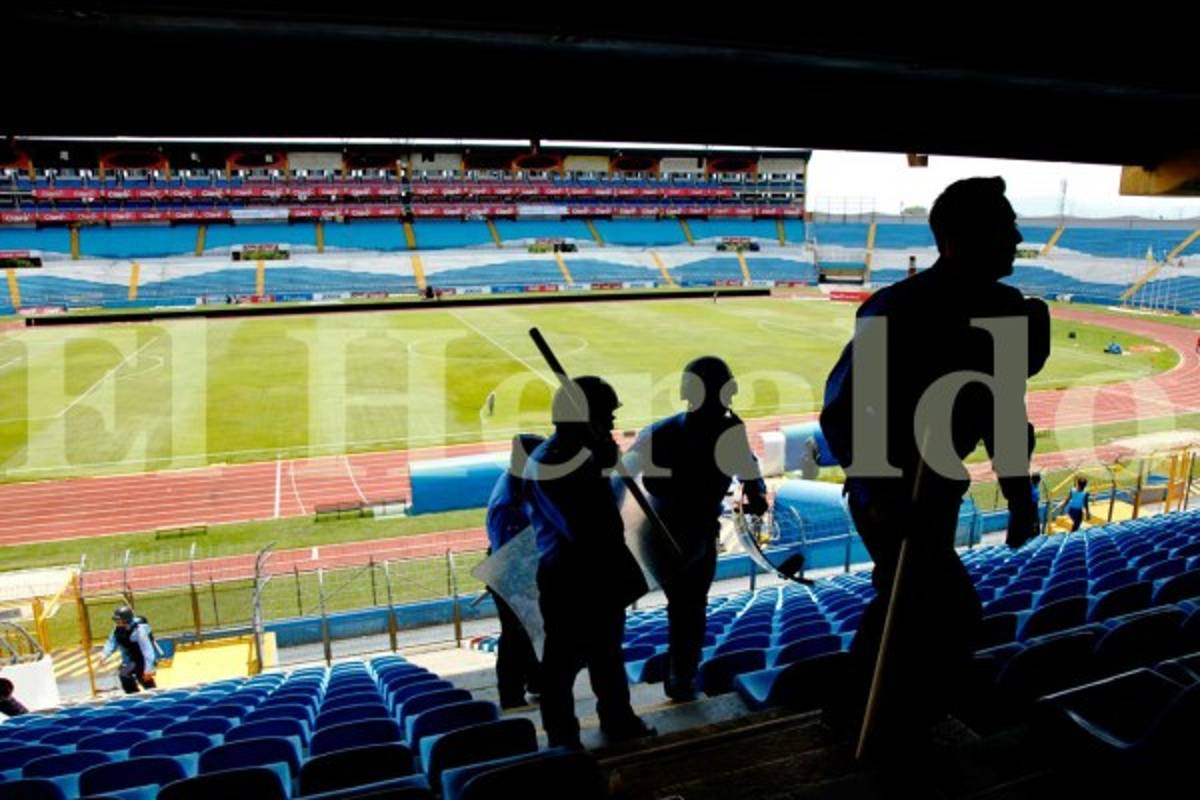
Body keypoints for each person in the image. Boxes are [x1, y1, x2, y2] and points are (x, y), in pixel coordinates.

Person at [820, 177, 1050, 759]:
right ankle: (875, 721)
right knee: (940, 606)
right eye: (1005, 224)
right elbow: (846, 412)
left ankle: (872, 715)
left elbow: (1003, 414)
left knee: (912, 604)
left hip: (940, 486)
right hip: (892, 491)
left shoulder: (1003, 309)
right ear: (963, 237)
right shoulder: (895, 311)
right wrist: (880, 491)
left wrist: (1020, 495)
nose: (1018, 236)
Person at [624, 356, 768, 701]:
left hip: (668, 534)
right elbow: (750, 478)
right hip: (690, 533)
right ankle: (682, 676)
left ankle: (680, 675)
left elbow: (629, 477)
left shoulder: (661, 432)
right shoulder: (728, 431)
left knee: (684, 607)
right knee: (690, 608)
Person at [524, 376, 655, 749]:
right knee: (561, 665)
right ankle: (564, 739)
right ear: (583, 418)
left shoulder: (573, 457)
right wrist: (598, 466)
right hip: (570, 578)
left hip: (596, 574)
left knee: (607, 655)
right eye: (606, 416)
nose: (612, 425)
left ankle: (618, 721)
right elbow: (584, 527)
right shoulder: (549, 463)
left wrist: (601, 464)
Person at [485, 433, 545, 709]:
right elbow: (510, 550)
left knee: (529, 630)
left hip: (517, 564)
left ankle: (536, 682)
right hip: (511, 568)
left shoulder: (518, 482)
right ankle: (510, 695)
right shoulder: (509, 499)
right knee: (515, 634)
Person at [101, 606, 158, 693]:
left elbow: (147, 651)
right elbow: (111, 642)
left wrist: (148, 670)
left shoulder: (139, 631)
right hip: (131, 659)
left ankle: (154, 694)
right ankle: (134, 696)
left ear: (126, 619)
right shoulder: (117, 630)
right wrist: (104, 655)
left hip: (142, 658)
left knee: (143, 677)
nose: (116, 622)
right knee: (124, 675)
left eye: (118, 620)